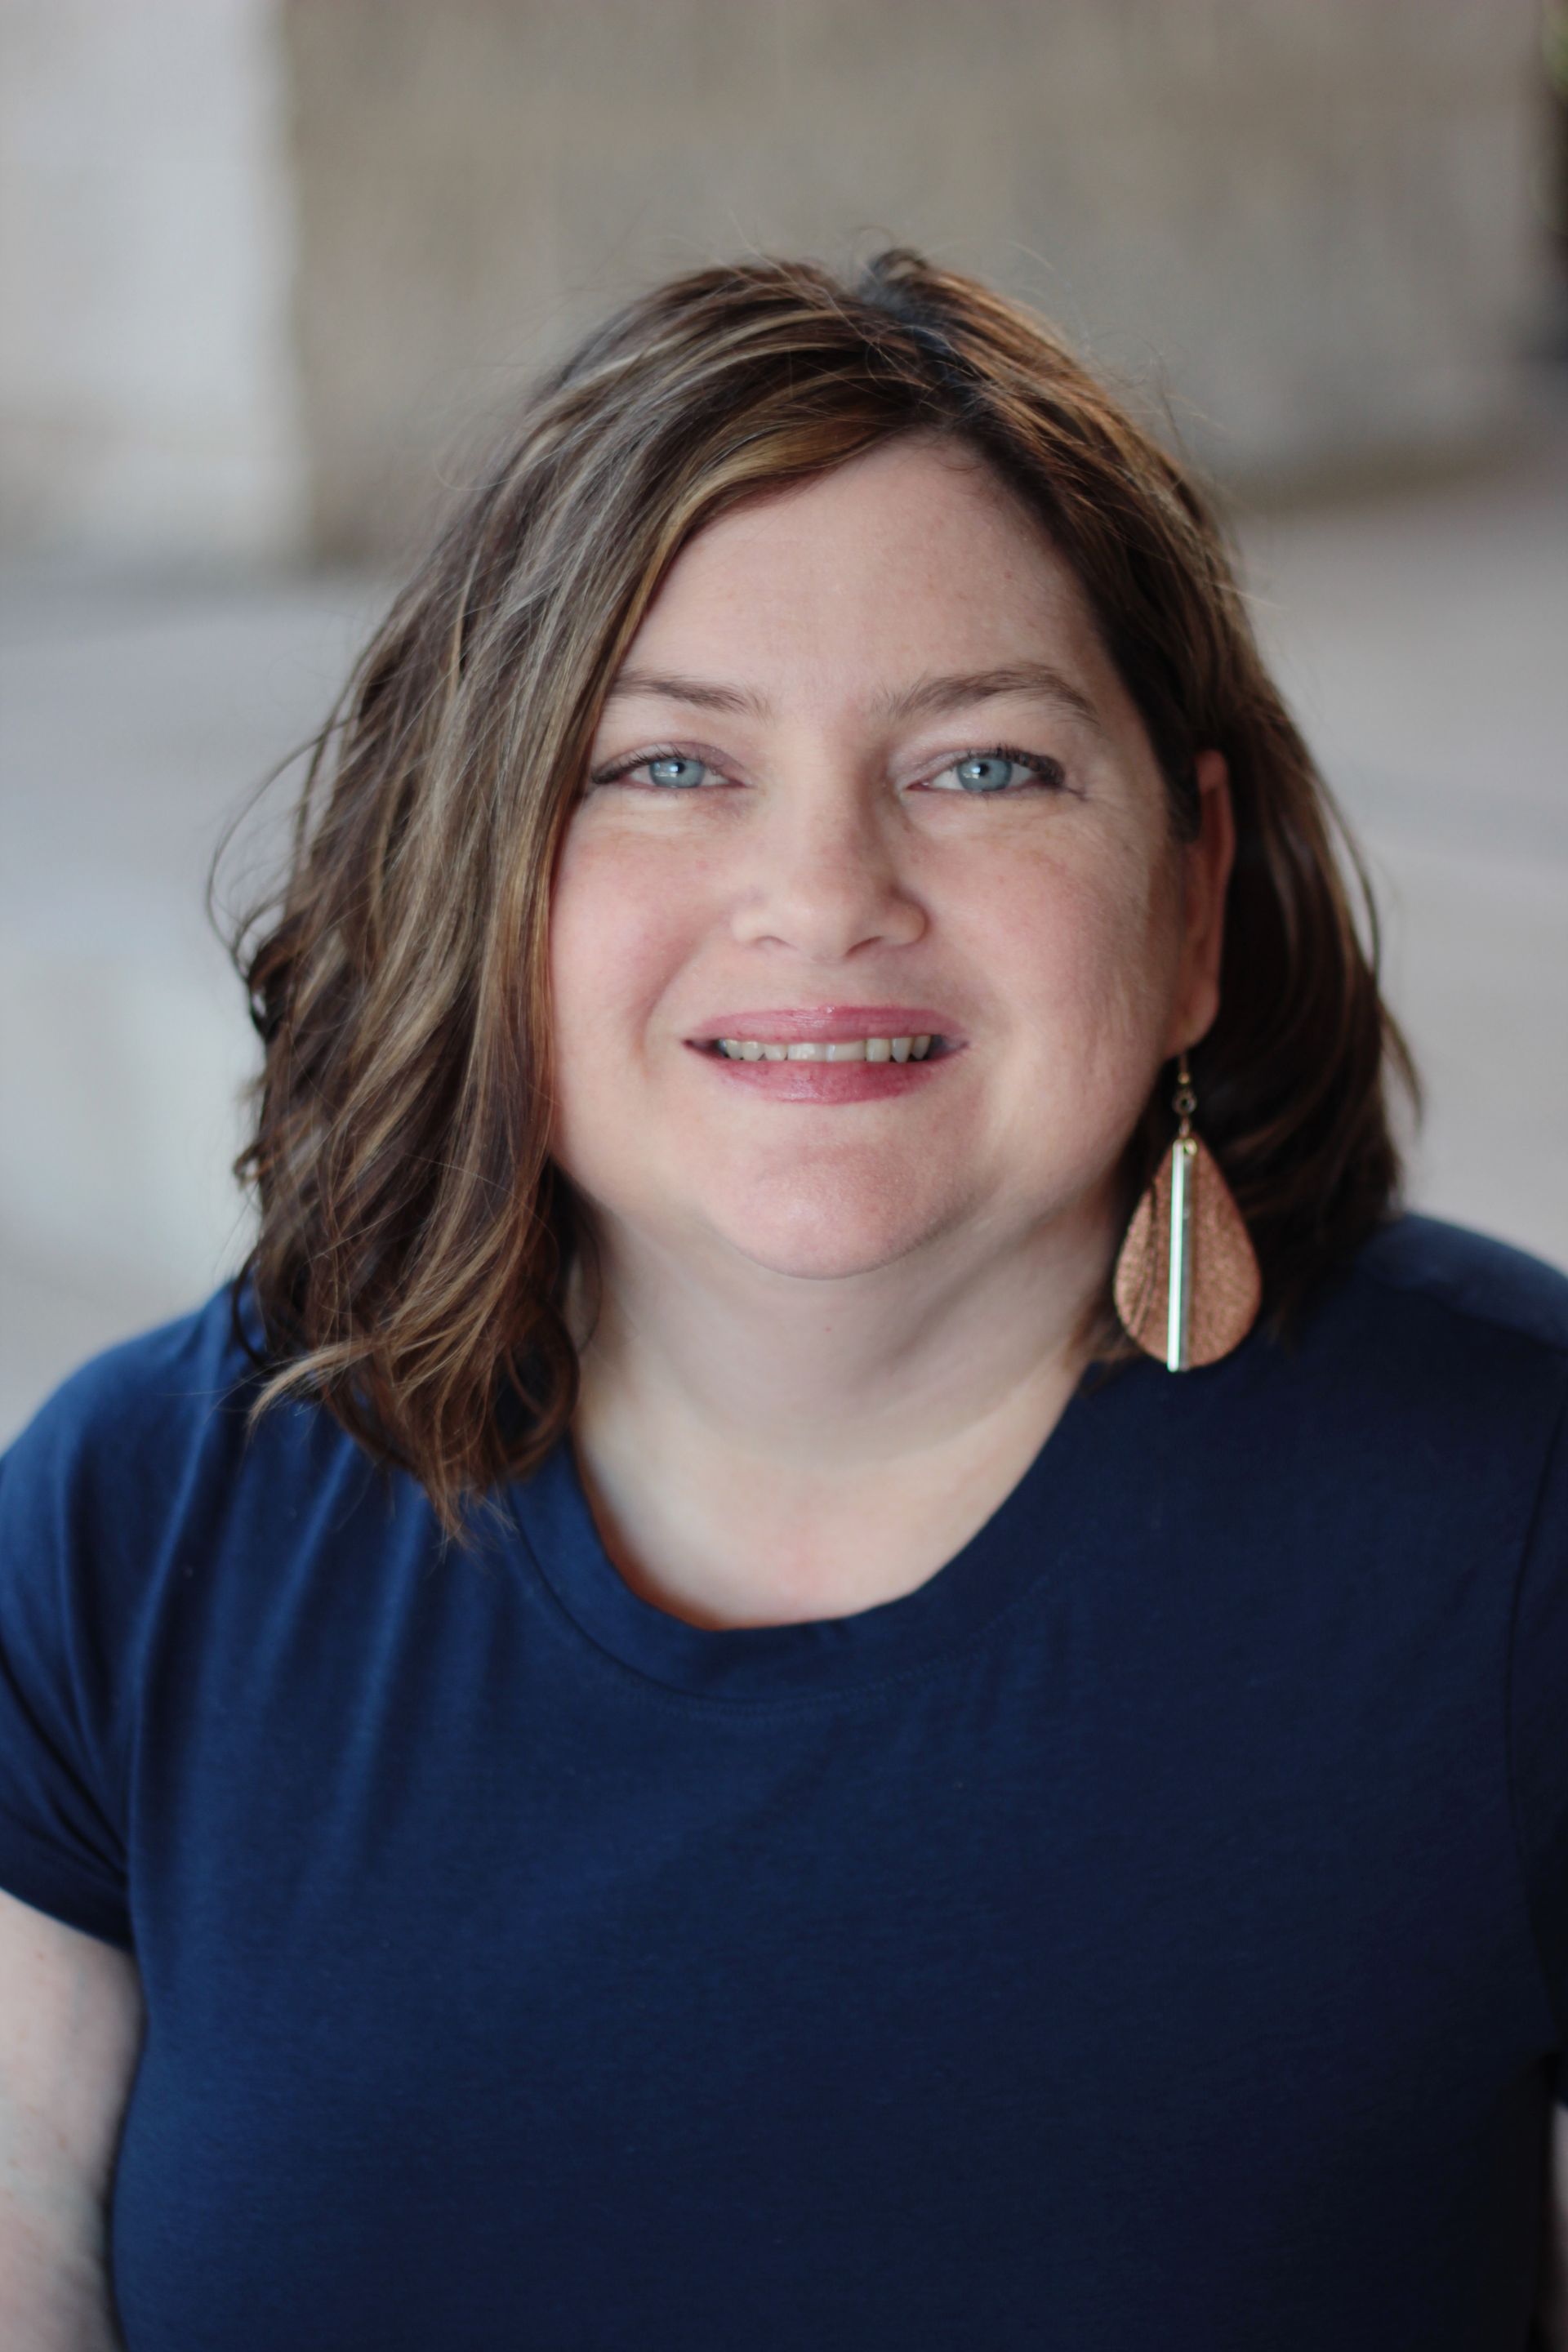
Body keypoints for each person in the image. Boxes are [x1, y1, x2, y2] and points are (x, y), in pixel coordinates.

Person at [0, 250, 1563, 2350]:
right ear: (483, 868)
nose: (825, 893)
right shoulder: (142, 1517)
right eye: (665, 767)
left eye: (985, 764)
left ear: (1191, 895)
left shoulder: (1519, 1523)